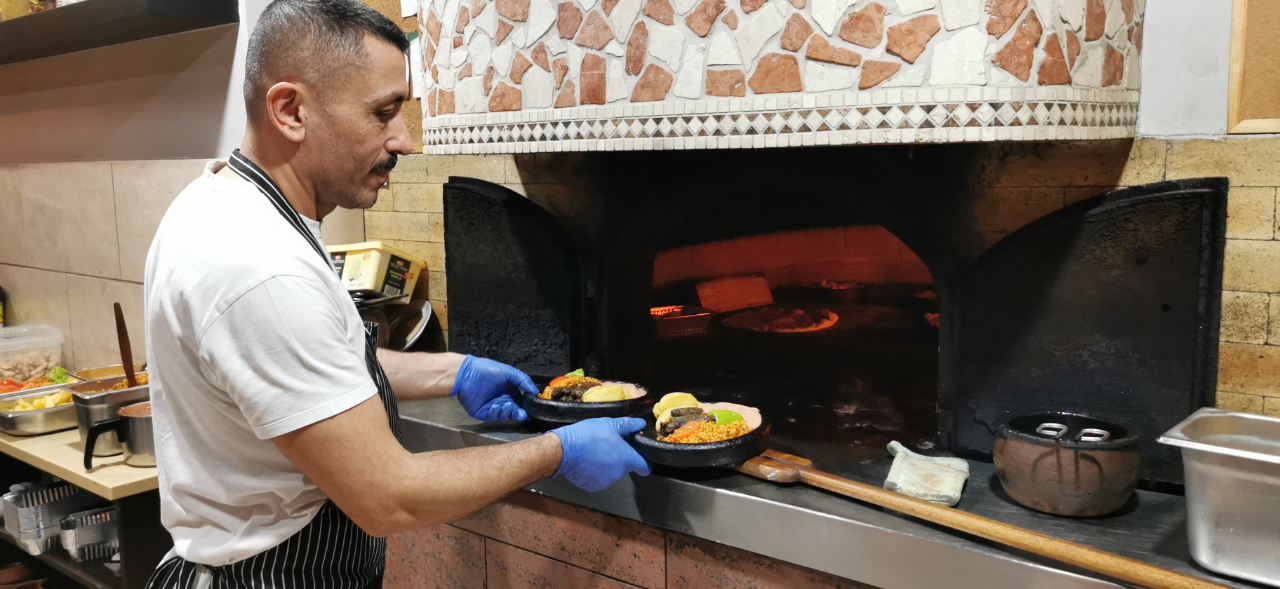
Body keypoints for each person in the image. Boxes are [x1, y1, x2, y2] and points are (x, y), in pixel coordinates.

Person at [141, 1, 650, 587]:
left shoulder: (221, 204)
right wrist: (558, 451)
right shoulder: (261, 268)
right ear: (290, 110)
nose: (404, 141)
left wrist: (452, 372)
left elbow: (306, 366)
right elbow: (387, 495)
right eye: (383, 113)